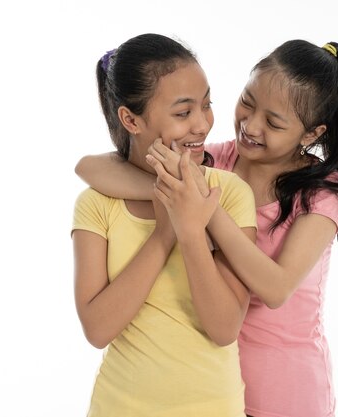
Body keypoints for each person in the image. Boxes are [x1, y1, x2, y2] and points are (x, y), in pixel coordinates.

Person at [76, 39, 338, 417]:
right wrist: (172, 190)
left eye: (274, 122)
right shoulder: (218, 160)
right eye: (247, 101)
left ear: (311, 134)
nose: (251, 124)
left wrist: (199, 204)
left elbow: (276, 288)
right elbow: (90, 167)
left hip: (282, 389)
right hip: (214, 382)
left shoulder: (321, 192)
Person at [71, 33, 257, 417]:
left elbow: (224, 328)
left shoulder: (230, 194)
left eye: (207, 105)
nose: (203, 124)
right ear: (130, 119)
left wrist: (191, 230)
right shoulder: (96, 205)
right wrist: (165, 230)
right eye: (183, 113)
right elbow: (97, 329)